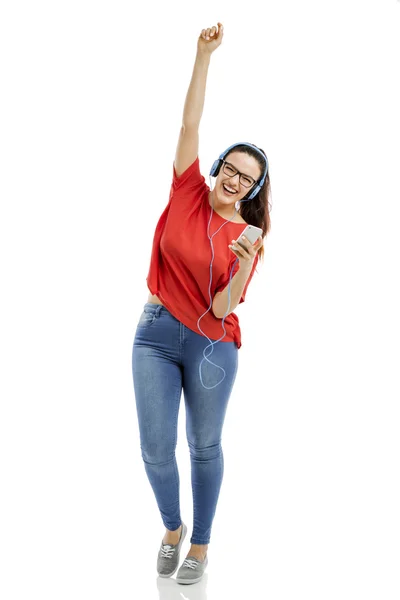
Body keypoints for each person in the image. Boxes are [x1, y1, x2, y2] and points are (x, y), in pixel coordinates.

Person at [131, 22, 271, 585]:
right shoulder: (186, 189)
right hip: (155, 332)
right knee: (156, 448)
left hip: (213, 345)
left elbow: (221, 307)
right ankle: (172, 528)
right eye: (232, 168)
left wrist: (241, 263)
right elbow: (190, 122)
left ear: (255, 191)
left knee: (204, 446)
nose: (236, 180)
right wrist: (202, 56)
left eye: (249, 179)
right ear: (217, 167)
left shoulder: (251, 237)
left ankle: (202, 546)